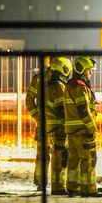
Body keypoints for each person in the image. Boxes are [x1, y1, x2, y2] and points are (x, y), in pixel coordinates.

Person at [24, 57, 70, 194]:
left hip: (43, 124)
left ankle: (40, 183)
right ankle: (58, 185)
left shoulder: (38, 78)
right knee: (59, 155)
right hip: (57, 125)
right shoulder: (61, 81)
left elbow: (29, 99)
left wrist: (37, 116)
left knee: (41, 155)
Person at [64, 56, 102, 197]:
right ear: (81, 69)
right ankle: (88, 189)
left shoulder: (70, 84)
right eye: (89, 70)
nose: (91, 73)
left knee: (73, 160)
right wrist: (91, 128)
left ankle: (72, 187)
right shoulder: (80, 87)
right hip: (82, 130)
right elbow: (83, 109)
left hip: (72, 130)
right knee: (89, 159)